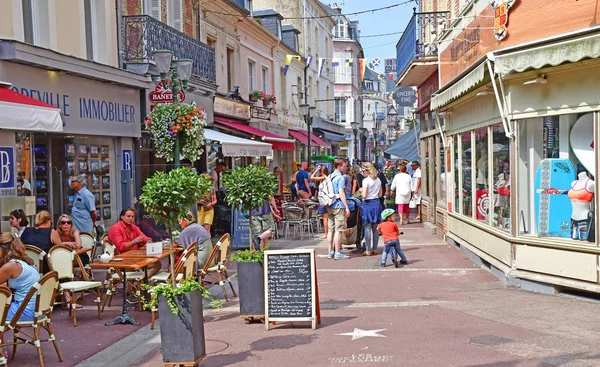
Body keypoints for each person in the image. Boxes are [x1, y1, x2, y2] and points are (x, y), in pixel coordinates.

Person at [108, 207, 161, 277]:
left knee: (156, 264)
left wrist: (148, 241)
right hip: (121, 259)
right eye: (128, 216)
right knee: (147, 264)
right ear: (122, 216)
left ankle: (140, 281)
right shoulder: (115, 228)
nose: (130, 218)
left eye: (132, 217)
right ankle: (137, 283)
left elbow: (144, 237)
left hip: (134, 257)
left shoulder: (133, 227)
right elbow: (120, 247)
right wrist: (134, 241)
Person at [0, 233, 40, 321]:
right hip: (36, 309)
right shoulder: (22, 261)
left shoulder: (10, 266)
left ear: (2, 250)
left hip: (25, 310)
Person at [326, 158, 351, 260]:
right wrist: (346, 207)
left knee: (330, 230)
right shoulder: (340, 178)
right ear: (339, 166)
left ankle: (330, 251)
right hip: (338, 205)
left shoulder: (330, 176)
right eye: (344, 166)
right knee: (338, 230)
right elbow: (341, 193)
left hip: (329, 205)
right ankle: (337, 252)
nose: (346, 168)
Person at [361, 162, 382, 256]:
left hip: (367, 204)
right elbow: (380, 194)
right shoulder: (378, 180)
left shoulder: (365, 181)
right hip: (376, 203)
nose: (363, 172)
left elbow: (364, 196)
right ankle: (375, 249)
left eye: (364, 170)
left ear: (368, 170)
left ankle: (368, 249)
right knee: (375, 228)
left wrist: (361, 191)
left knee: (367, 227)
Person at [311, 165, 330, 239]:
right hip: (325, 199)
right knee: (327, 217)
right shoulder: (327, 178)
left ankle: (326, 233)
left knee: (325, 218)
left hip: (324, 200)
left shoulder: (323, 178)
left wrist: (316, 170)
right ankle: (328, 232)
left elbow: (312, 177)